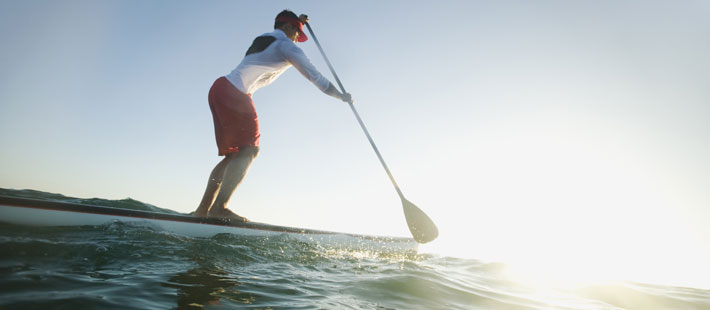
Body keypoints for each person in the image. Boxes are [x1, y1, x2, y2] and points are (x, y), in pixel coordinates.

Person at [193, 10, 351, 221]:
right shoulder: (287, 46)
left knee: (234, 156)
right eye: (297, 33)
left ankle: (202, 211)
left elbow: (281, 34)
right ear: (288, 28)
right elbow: (316, 77)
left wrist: (298, 22)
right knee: (250, 150)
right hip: (236, 93)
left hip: (219, 88)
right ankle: (219, 209)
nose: (298, 39)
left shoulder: (263, 38)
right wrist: (341, 96)